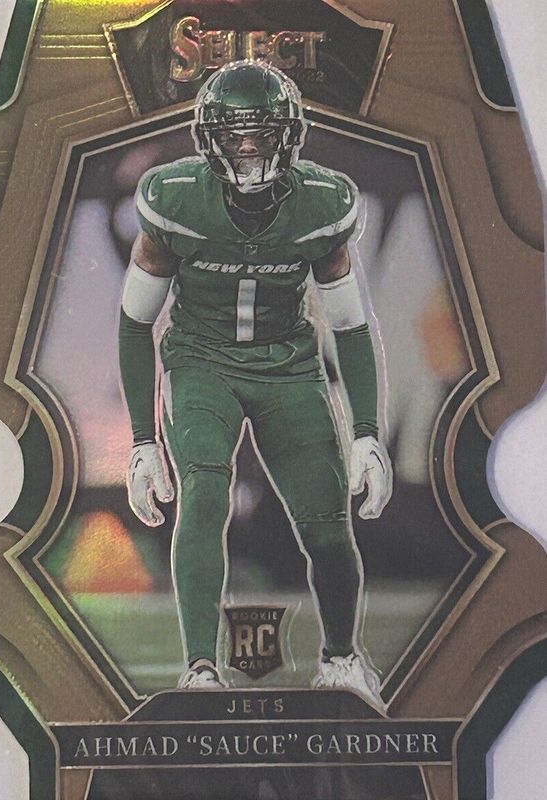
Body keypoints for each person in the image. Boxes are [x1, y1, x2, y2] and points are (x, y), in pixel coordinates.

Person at [118, 60, 392, 707]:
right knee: (204, 493)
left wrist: (366, 433)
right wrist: (142, 442)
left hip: (288, 367)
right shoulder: (175, 198)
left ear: (288, 134)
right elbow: (135, 322)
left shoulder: (322, 202)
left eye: (261, 132)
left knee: (327, 525)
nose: (247, 147)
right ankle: (200, 670)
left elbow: (350, 325)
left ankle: (342, 659)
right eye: (234, 133)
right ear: (209, 137)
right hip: (201, 361)